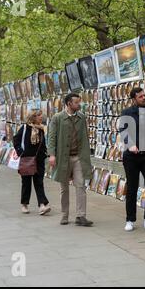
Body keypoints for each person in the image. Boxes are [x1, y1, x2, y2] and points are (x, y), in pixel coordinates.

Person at [47, 93, 93, 226]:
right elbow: (51, 137)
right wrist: (52, 154)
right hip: (63, 157)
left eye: (79, 102)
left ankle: (81, 216)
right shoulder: (57, 118)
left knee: (81, 186)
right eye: (77, 103)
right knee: (64, 188)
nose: (79, 105)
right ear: (68, 104)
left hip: (78, 157)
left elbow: (84, 136)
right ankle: (64, 215)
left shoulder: (81, 117)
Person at [119, 87, 145, 232]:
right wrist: (130, 145)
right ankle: (130, 220)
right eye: (141, 96)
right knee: (132, 187)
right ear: (134, 99)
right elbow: (123, 131)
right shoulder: (126, 113)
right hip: (131, 157)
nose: (144, 98)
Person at [13, 109, 51, 215]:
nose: (41, 117)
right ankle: (24, 204)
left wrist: (44, 154)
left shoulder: (41, 129)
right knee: (26, 183)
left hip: (39, 160)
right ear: (33, 117)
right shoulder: (25, 128)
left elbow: (43, 144)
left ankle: (42, 205)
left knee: (39, 182)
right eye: (39, 116)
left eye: (41, 115)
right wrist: (21, 152)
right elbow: (16, 140)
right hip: (27, 159)